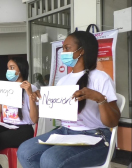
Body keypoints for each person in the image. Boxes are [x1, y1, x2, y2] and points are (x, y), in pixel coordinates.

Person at [17, 31, 120, 168]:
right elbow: (60, 114)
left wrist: (100, 99)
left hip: (96, 136)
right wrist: (43, 99)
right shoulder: (63, 80)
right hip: (65, 131)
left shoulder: (101, 78)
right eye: (63, 48)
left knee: (51, 159)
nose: (63, 52)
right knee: (25, 151)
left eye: (67, 48)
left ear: (81, 51)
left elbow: (112, 121)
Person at [0, 57, 38, 168]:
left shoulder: (32, 88)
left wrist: (30, 93)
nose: (9, 71)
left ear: (21, 69)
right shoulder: (4, 88)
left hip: (23, 129)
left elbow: (35, 119)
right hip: (6, 126)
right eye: (8, 68)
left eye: (12, 68)